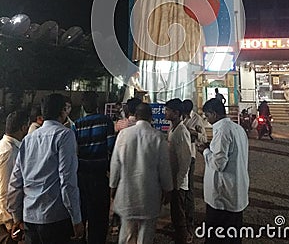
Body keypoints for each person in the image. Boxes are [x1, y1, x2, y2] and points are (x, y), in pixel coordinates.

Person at [7, 93, 84, 244]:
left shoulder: (28, 139)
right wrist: (76, 218)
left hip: (29, 217)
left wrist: (16, 217)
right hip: (55, 217)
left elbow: (15, 181)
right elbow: (67, 181)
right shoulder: (64, 135)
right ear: (63, 111)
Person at [109, 102, 173, 244]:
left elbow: (115, 163)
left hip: (127, 193)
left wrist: (112, 186)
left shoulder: (124, 135)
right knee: (146, 234)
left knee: (126, 233)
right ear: (151, 118)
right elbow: (164, 168)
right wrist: (168, 189)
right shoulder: (157, 137)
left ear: (136, 116)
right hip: (149, 194)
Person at [197, 98, 249, 244]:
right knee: (233, 235)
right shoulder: (237, 128)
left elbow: (219, 164)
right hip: (236, 191)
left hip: (223, 195)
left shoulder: (222, 131)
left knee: (219, 236)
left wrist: (205, 151)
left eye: (207, 116)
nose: (207, 120)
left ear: (214, 114)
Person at [72, 91, 115, 244]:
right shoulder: (106, 121)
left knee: (82, 214)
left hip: (81, 177)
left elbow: (74, 152)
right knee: (99, 220)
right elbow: (111, 148)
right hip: (99, 177)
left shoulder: (76, 125)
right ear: (97, 105)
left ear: (83, 105)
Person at [165, 98, 192, 244]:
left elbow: (185, 159)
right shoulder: (173, 128)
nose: (165, 112)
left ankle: (183, 238)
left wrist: (179, 182)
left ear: (176, 113)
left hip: (178, 182)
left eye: (168, 110)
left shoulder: (182, 132)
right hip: (173, 179)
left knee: (179, 215)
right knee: (175, 214)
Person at [0, 110, 28, 243]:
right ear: (23, 128)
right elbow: (6, 190)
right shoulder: (10, 152)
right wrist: (11, 223)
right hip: (5, 222)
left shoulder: (3, 146)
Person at [182, 99, 207, 240]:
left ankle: (189, 224)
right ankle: (180, 223)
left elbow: (203, 138)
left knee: (189, 190)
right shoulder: (177, 117)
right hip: (177, 156)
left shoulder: (197, 120)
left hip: (190, 157)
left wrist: (194, 133)